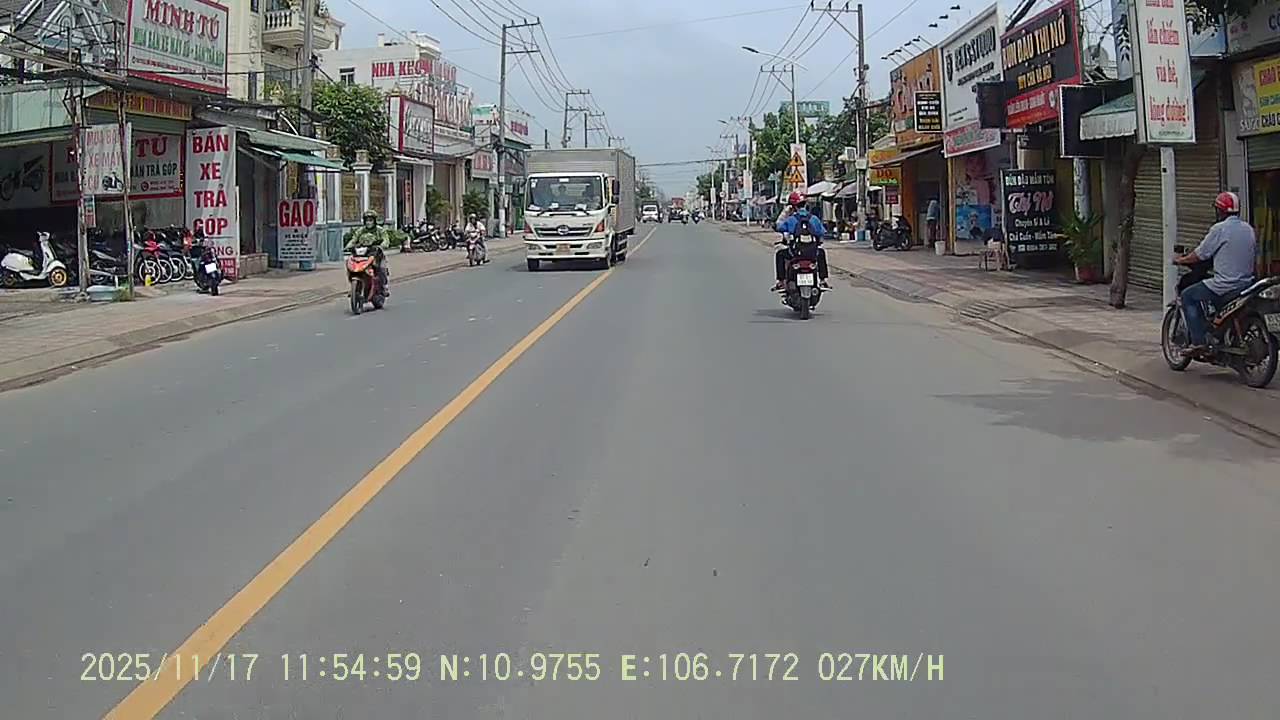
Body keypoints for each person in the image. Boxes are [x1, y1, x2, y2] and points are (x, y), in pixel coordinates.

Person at [1173, 191, 1257, 355]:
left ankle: (1199, 342)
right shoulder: (1248, 229)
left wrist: (1181, 260)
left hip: (1225, 284)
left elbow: (1200, 254)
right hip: (1247, 284)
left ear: (1220, 211)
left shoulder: (1219, 229)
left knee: (1188, 296)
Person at [772, 191, 831, 291]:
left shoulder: (791, 220)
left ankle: (781, 282)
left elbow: (778, 227)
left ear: (793, 206)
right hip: (812, 253)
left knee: (780, 254)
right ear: (805, 204)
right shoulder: (814, 219)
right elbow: (822, 232)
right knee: (821, 253)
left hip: (795, 253)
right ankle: (822, 280)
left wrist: (785, 213)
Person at [345, 210, 390, 295]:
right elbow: (354, 239)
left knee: (381, 268)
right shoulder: (361, 230)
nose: (368, 222)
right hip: (363, 254)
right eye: (367, 220)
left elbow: (386, 240)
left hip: (376, 254)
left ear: (374, 221)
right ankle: (353, 286)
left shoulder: (380, 230)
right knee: (350, 263)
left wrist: (382, 245)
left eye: (371, 220)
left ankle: (384, 287)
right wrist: (348, 246)